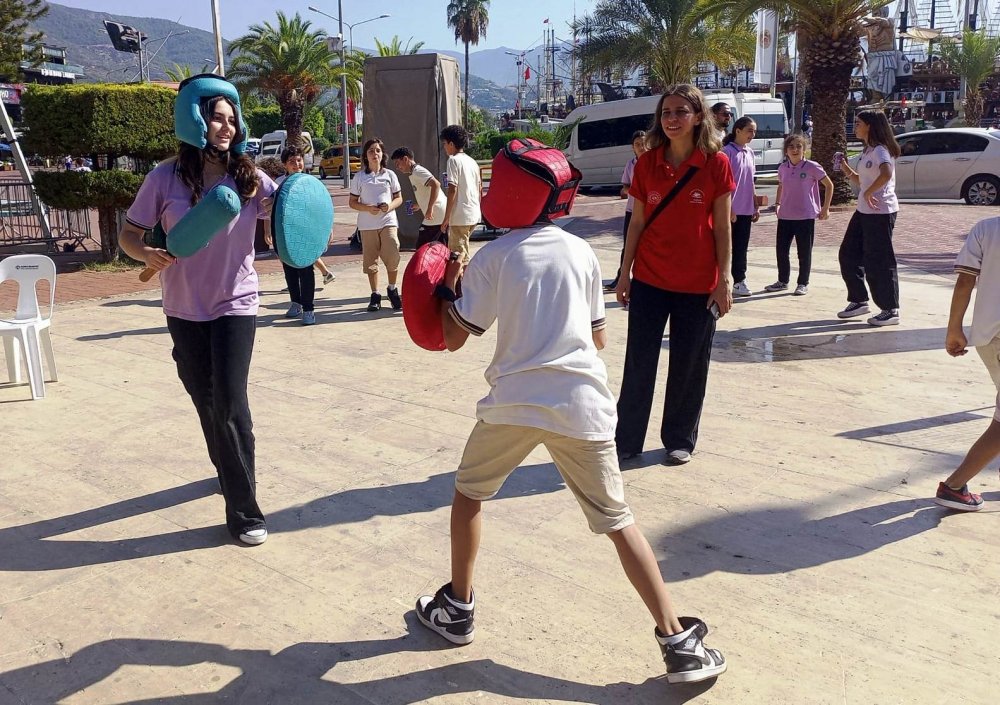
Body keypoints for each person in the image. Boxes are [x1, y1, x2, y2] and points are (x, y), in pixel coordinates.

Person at [415, 138, 727, 685]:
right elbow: (599, 338)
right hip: (582, 404)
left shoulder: (492, 257)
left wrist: (445, 287)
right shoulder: (581, 252)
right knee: (618, 521)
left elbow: (454, 337)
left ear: (512, 193)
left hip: (514, 403)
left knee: (468, 496)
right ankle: (678, 641)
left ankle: (458, 609)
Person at [118, 74, 273, 545]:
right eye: (216, 118)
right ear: (195, 121)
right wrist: (146, 254)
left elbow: (289, 216)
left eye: (231, 119)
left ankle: (244, 510)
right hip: (183, 307)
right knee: (204, 398)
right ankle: (228, 467)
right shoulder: (163, 177)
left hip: (236, 303)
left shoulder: (249, 179)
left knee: (230, 401)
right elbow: (129, 235)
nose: (226, 128)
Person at [614, 84, 735, 466]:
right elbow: (636, 224)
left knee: (689, 365)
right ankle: (626, 440)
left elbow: (722, 228)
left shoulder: (716, 164)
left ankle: (679, 439)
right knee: (639, 363)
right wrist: (624, 274)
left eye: (681, 111)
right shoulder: (647, 164)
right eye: (666, 112)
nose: (672, 119)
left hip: (698, 284)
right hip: (650, 279)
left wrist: (725, 279)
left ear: (698, 117)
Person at [936, 216, 1000, 511]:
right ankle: (953, 486)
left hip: (989, 336)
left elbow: (965, 281)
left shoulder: (986, 229)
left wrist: (954, 328)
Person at [836, 110, 902, 326]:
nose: (855, 126)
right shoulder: (868, 150)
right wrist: (845, 168)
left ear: (870, 126)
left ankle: (890, 309)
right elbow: (862, 180)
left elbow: (886, 173)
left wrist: (869, 192)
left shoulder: (881, 150)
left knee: (878, 260)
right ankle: (859, 300)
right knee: (848, 254)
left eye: (858, 123)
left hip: (880, 212)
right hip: (864, 211)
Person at [763, 133, 834, 296]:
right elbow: (781, 185)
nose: (795, 149)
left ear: (804, 149)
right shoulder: (783, 168)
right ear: (786, 150)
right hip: (785, 216)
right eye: (791, 146)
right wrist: (778, 204)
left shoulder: (812, 167)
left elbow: (829, 185)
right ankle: (782, 281)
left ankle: (803, 283)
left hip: (805, 217)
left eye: (798, 146)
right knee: (781, 251)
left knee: (804, 252)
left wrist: (825, 208)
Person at [349, 137, 403, 312]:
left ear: (382, 154)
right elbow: (352, 202)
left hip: (388, 221)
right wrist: (367, 208)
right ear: (365, 155)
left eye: (378, 150)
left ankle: (392, 289)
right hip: (367, 225)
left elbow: (399, 198)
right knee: (371, 261)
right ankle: (375, 294)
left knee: (393, 252)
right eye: (371, 151)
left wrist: (389, 207)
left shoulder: (390, 175)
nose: (375, 154)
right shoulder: (359, 177)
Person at [271, 145, 318, 325]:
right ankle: (295, 303)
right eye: (292, 161)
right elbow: (271, 208)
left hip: (306, 232)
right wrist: (268, 230)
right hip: (285, 233)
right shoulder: (279, 183)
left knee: (306, 270)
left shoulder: (310, 182)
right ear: (285, 164)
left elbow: (320, 209)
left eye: (299, 160)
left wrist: (325, 231)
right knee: (289, 269)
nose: (296, 164)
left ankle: (308, 309)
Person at [722, 117, 759, 297]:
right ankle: (717, 280)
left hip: (746, 209)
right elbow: (722, 183)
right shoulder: (726, 152)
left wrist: (755, 205)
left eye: (754, 131)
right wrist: (729, 208)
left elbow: (751, 181)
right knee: (724, 247)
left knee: (741, 247)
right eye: (749, 130)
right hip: (728, 210)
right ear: (738, 131)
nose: (752, 134)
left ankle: (739, 281)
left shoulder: (750, 153)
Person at [605, 130, 647, 292]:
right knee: (628, 245)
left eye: (644, 143)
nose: (641, 147)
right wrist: (634, 190)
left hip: (650, 211)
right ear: (632, 148)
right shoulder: (631, 164)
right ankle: (621, 277)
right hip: (632, 210)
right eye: (637, 144)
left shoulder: (655, 162)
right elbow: (625, 188)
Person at [439, 124, 482, 263]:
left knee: (458, 258)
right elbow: (479, 188)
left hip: (460, 216)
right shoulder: (472, 162)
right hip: (474, 213)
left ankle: (465, 278)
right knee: (463, 252)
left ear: (451, 144)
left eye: (445, 144)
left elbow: (452, 189)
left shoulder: (453, 160)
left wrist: (446, 217)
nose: (444, 147)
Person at [390, 146, 447, 249]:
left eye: (398, 163)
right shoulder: (414, 173)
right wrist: (420, 205)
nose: (397, 167)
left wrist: (430, 208)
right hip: (436, 215)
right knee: (436, 247)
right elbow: (427, 191)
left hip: (436, 214)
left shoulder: (417, 171)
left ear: (405, 159)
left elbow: (436, 184)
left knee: (422, 247)